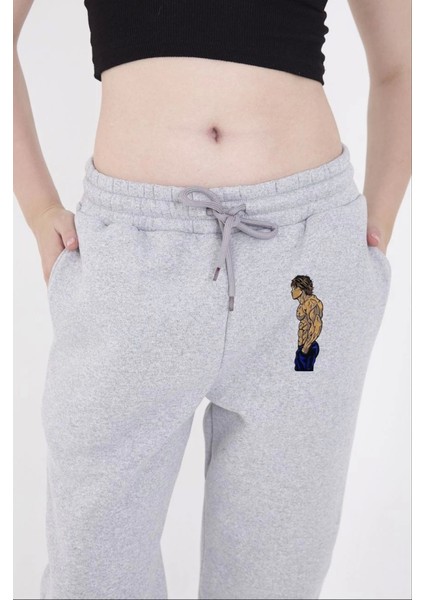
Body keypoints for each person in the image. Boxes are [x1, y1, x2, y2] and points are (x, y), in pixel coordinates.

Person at [13, 1, 411, 599]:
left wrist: (375, 227)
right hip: (131, 266)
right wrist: (39, 205)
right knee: (93, 577)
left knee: (277, 580)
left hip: (307, 265)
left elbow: (400, 66)